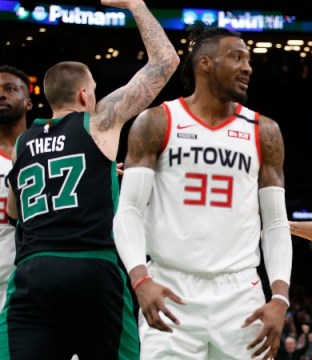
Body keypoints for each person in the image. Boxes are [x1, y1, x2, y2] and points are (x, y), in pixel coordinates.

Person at [2, 0, 180, 358]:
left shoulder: (23, 143)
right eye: (95, 89)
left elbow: (16, 212)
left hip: (33, 271)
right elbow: (166, 61)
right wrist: (137, 5)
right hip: (91, 267)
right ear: (85, 94)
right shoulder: (98, 122)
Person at [113, 23, 292, 360]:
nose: (247, 67)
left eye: (248, 59)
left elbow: (276, 223)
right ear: (206, 64)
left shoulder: (264, 130)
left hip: (240, 292)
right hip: (169, 285)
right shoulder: (157, 122)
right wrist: (140, 278)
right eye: (236, 57)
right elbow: (130, 210)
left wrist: (280, 297)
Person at [0, 65, 31, 312]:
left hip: (30, 281)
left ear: (28, 103)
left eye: (10, 89)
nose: (1, 95)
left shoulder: (48, 153)